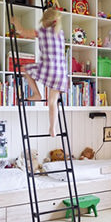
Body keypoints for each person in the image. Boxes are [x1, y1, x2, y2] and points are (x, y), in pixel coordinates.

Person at [19, 8, 67, 137]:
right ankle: (53, 128)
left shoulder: (42, 32)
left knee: (26, 70)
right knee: (53, 102)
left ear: (45, 22)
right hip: (61, 72)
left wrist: (16, 23)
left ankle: (37, 94)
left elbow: (23, 32)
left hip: (48, 68)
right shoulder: (60, 34)